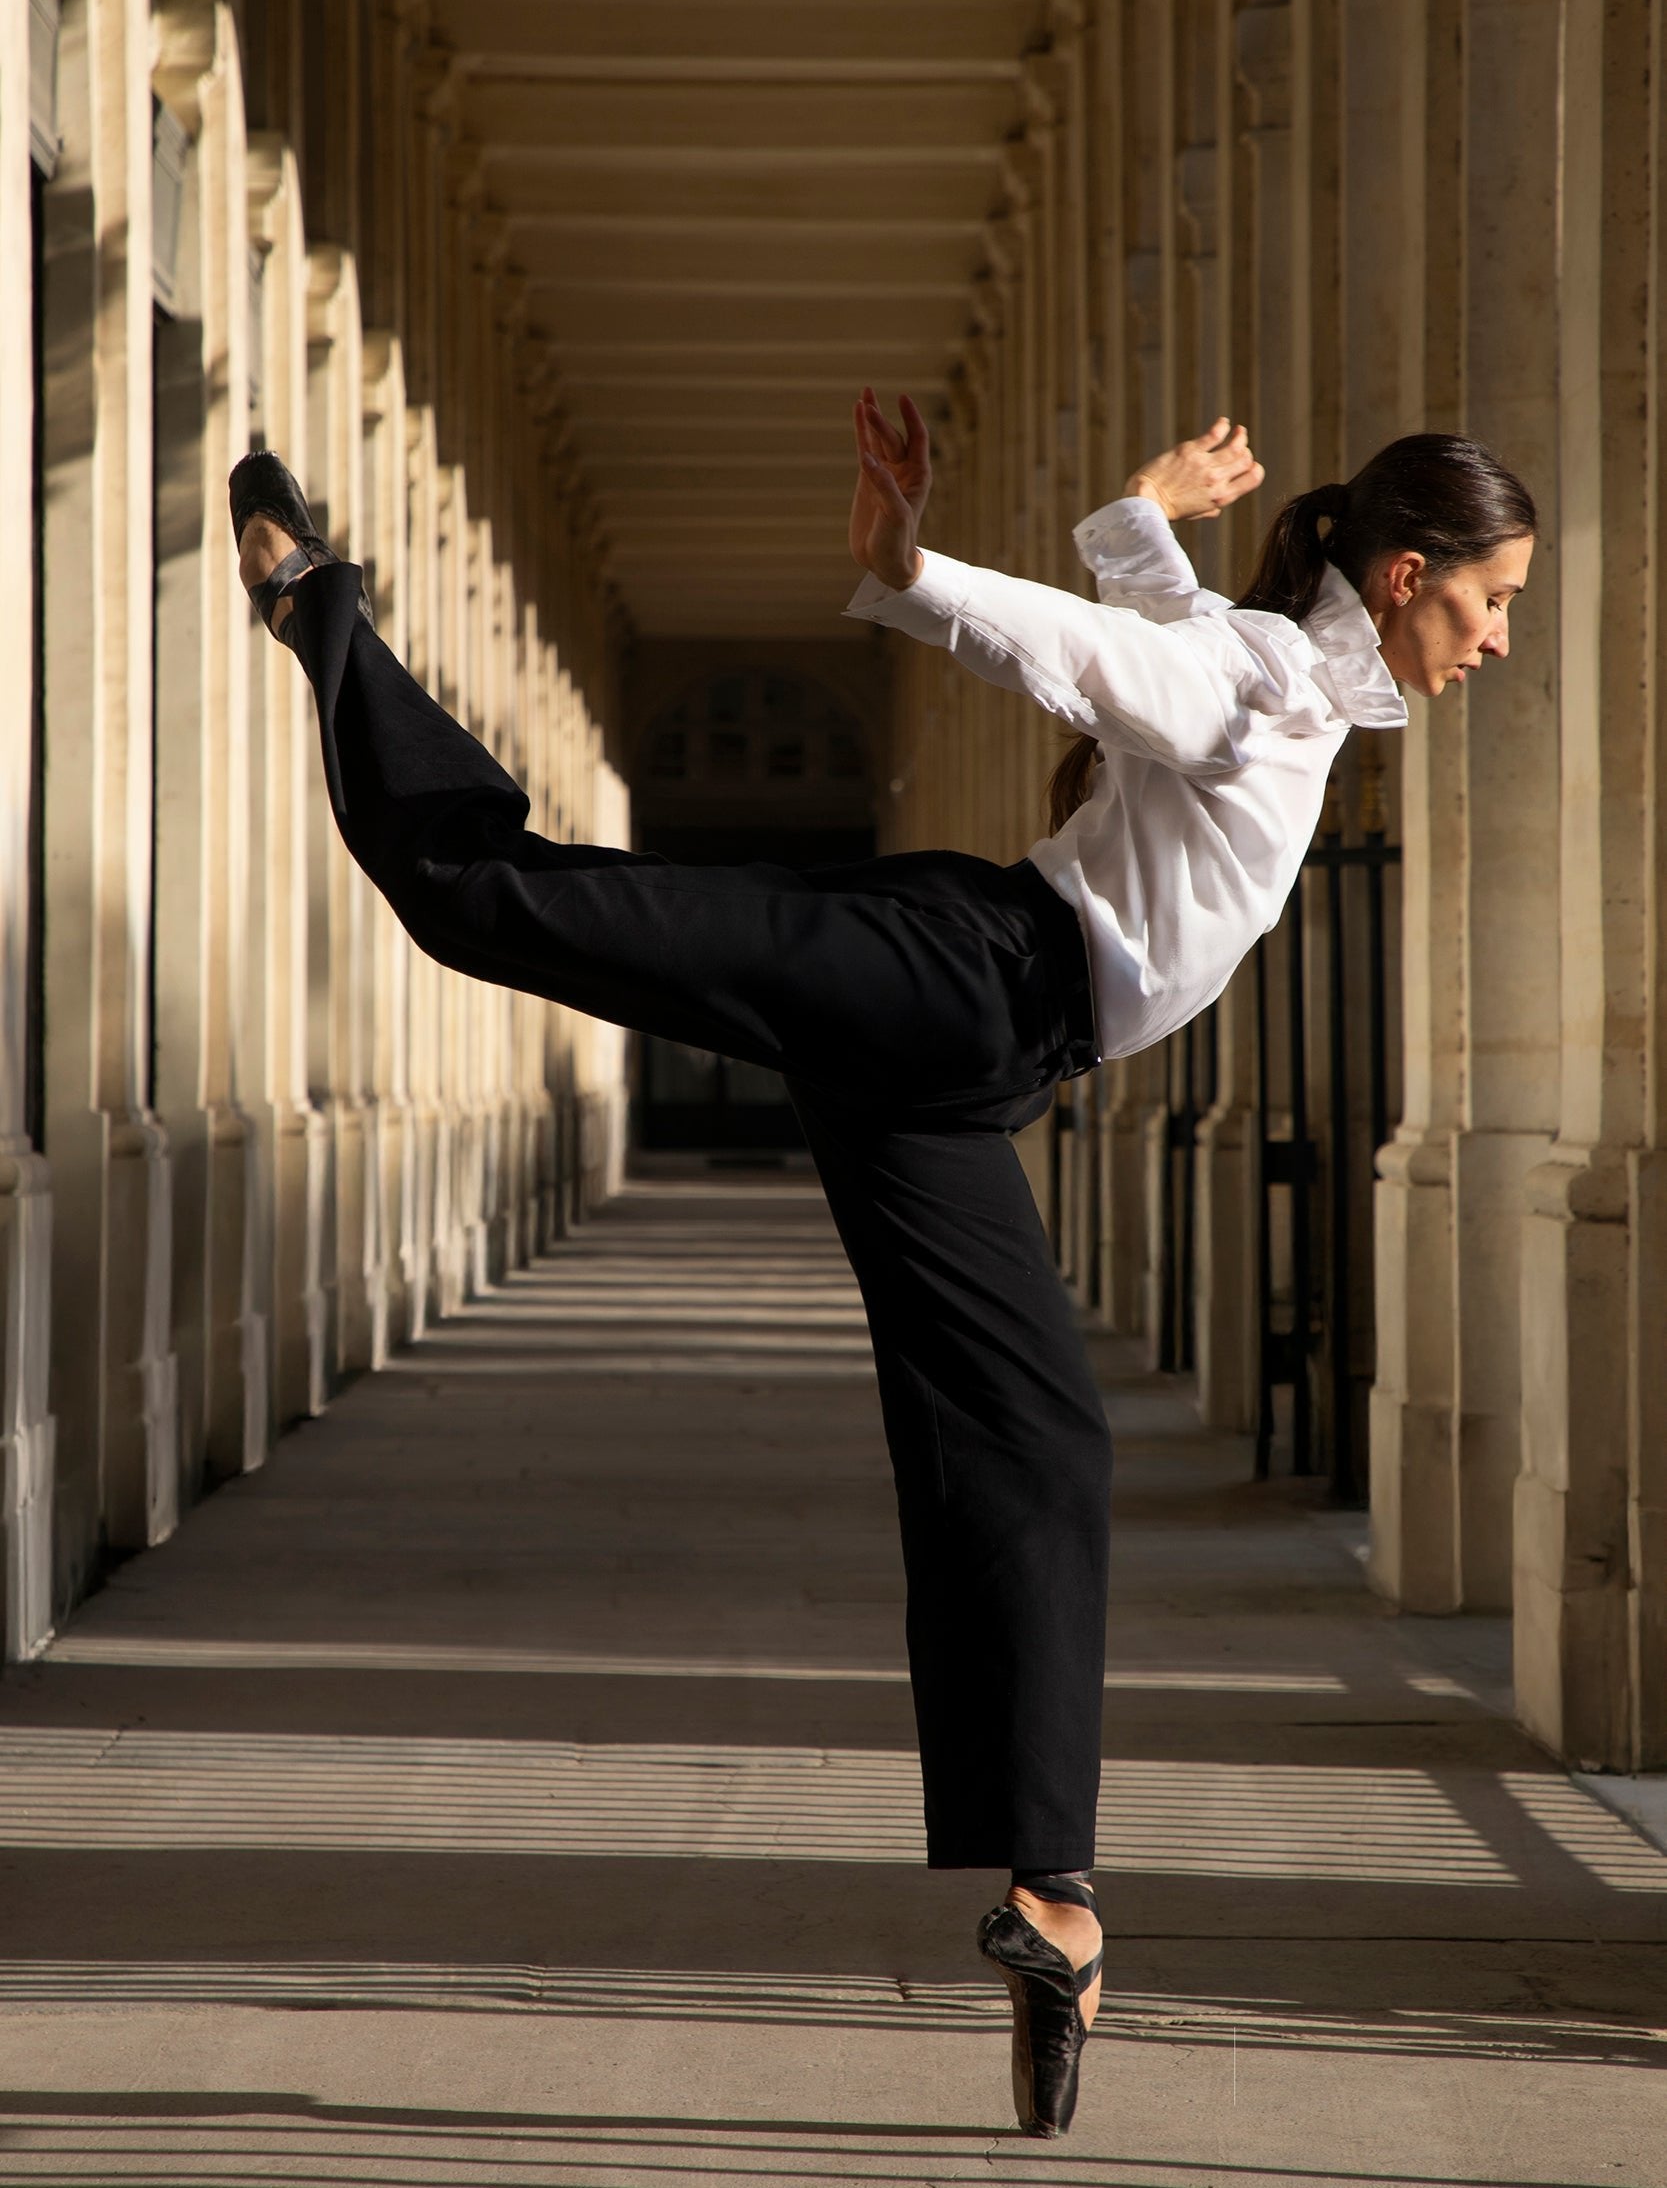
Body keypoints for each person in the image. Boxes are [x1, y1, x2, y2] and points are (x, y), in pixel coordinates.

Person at [229, 400, 1535, 2139]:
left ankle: (1055, 1905)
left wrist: (1140, 513)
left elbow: (1172, 631)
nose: (1500, 638)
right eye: (1491, 601)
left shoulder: (1284, 670)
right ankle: (322, 602)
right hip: (948, 978)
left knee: (1042, 1439)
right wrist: (911, 571)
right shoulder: (1262, 692)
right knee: (496, 897)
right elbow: (1090, 659)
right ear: (1407, 574)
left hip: (968, 1065)